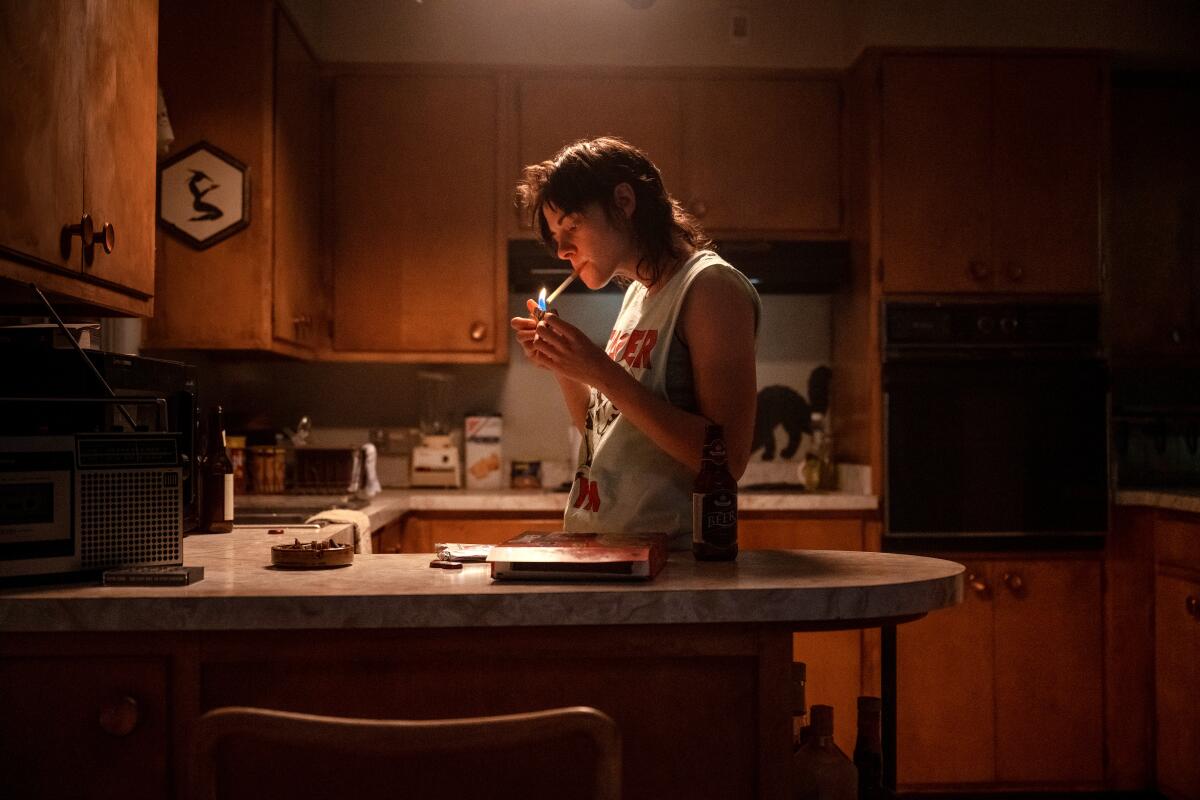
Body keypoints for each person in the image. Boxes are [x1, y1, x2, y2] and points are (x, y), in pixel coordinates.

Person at [512, 136, 761, 547]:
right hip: (608, 548)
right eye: (556, 235)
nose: (561, 249)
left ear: (624, 201)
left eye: (572, 226)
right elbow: (606, 433)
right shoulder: (637, 295)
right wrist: (563, 364)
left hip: (668, 561)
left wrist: (600, 370)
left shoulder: (710, 287)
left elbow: (729, 458)